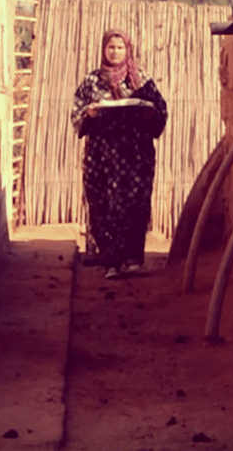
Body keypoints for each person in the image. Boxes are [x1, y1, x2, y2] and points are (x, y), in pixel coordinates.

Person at [71, 28, 168, 279]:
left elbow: (160, 110)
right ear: (104, 49)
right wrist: (88, 115)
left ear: (128, 49)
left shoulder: (141, 81)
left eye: (120, 47)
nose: (115, 52)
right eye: (111, 47)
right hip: (101, 156)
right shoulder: (92, 81)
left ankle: (133, 258)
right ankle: (111, 261)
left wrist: (150, 114)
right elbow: (77, 113)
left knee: (134, 203)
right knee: (103, 203)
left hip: (135, 156)